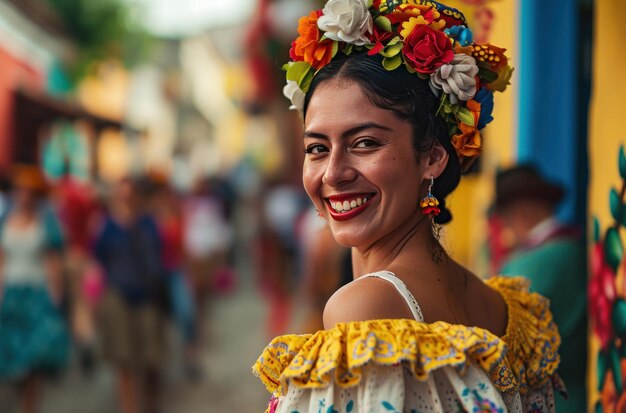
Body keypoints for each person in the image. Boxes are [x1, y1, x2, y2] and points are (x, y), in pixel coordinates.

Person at [253, 1, 564, 412]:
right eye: (316, 148)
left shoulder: (365, 310)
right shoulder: (501, 307)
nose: (333, 173)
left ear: (433, 157)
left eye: (365, 143)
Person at [491, 164, 587, 413]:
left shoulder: (537, 260)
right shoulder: (572, 248)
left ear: (521, 211)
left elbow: (497, 330)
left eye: (506, 218)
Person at [94, 177, 167, 413]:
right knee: (123, 360)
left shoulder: (148, 223)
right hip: (118, 296)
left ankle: (151, 405)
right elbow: (98, 260)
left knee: (151, 359)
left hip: (147, 296)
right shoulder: (107, 226)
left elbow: (159, 255)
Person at [0, 164, 68, 413]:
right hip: (11, 295)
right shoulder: (5, 219)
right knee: (12, 362)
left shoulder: (46, 222)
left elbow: (53, 262)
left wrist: (56, 298)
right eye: (20, 190)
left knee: (34, 361)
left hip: (36, 294)